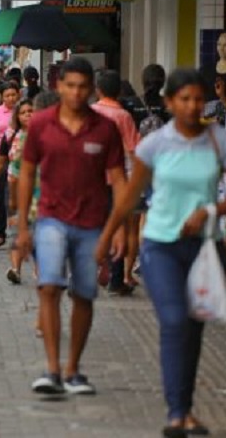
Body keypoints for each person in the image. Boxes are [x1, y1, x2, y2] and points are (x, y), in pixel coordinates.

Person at [95, 68, 226, 437]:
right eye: (184, 99)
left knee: (193, 329)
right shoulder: (154, 144)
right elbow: (130, 196)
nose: (192, 106)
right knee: (175, 321)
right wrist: (107, 237)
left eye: (198, 99)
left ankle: (185, 410)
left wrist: (209, 211)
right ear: (169, 102)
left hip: (205, 247)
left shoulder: (220, 139)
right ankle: (176, 413)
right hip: (160, 246)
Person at [17, 57, 126, 395]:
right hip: (51, 218)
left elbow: (119, 180)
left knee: (84, 294)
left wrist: (120, 227)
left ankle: (73, 370)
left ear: (92, 89)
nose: (76, 93)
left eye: (82, 87)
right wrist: (22, 227)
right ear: (59, 87)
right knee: (49, 287)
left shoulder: (105, 129)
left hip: (92, 222)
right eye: (70, 86)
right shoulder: (41, 124)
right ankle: (52, 369)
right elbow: (26, 173)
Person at [91, 70, 140, 293]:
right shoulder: (124, 116)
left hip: (91, 179)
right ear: (119, 91)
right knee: (119, 224)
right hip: (118, 179)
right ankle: (116, 279)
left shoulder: (89, 113)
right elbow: (134, 149)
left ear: (97, 90)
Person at [0, 99, 33, 283]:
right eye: (23, 112)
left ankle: (40, 271)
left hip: (39, 190)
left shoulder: (45, 136)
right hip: (13, 188)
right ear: (17, 116)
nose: (28, 115)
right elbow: (0, 161)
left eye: (31, 111)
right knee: (16, 229)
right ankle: (15, 269)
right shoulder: (10, 135)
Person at [0, 83, 19, 247]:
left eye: (13, 95)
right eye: (7, 95)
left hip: (19, 157)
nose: (11, 98)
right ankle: (0, 232)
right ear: (2, 97)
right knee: (0, 195)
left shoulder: (23, 111)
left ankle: (17, 230)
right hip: (0, 156)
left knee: (13, 195)